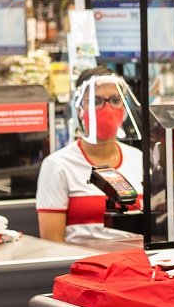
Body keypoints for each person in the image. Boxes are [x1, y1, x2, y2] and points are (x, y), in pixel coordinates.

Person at [36, 66, 144, 244]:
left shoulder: (138, 159)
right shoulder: (57, 165)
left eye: (115, 100)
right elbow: (52, 241)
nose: (107, 109)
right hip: (84, 267)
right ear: (79, 108)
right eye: (96, 101)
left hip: (136, 266)